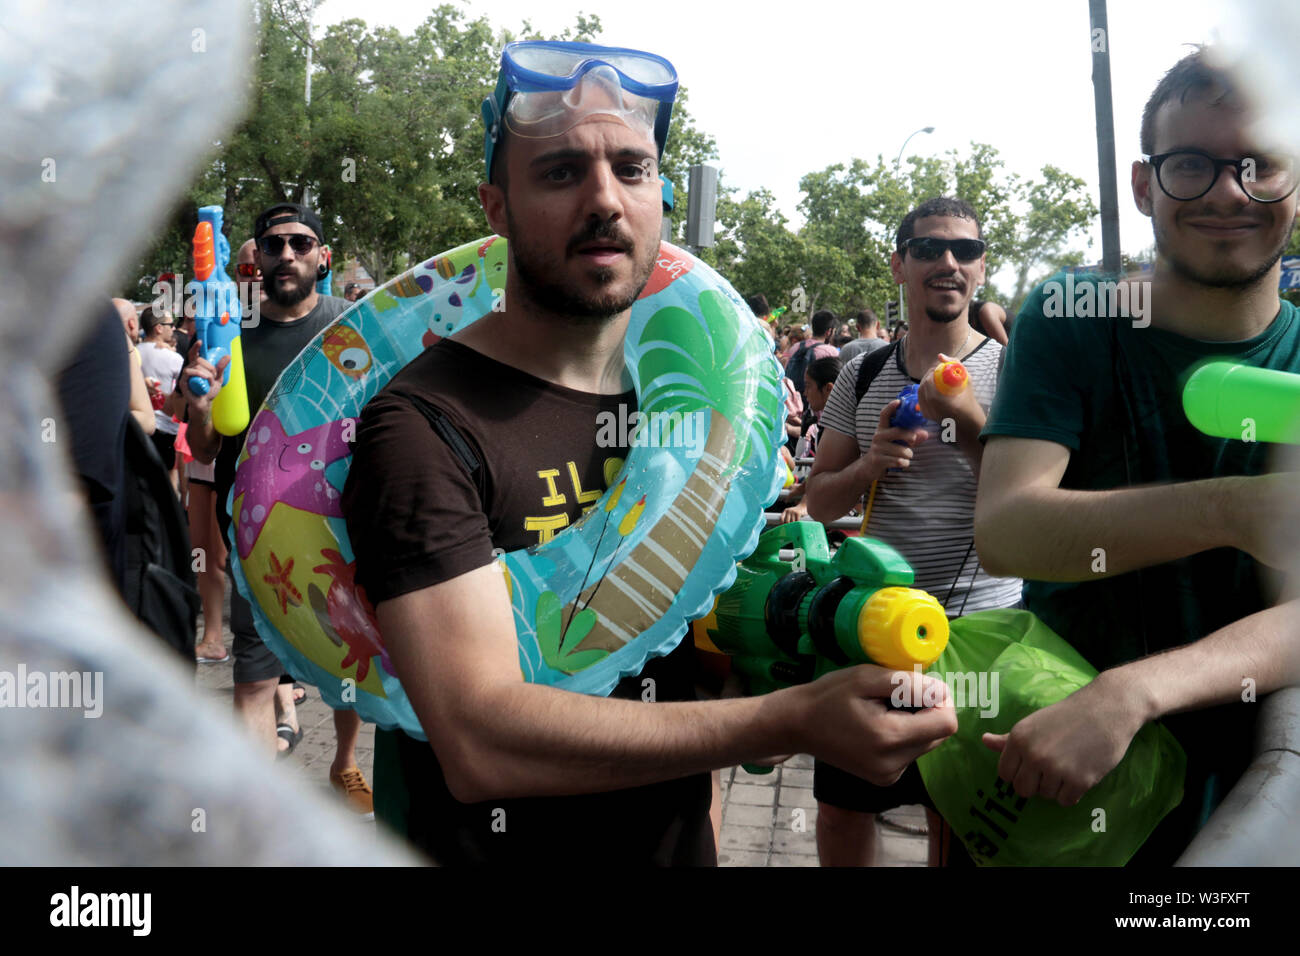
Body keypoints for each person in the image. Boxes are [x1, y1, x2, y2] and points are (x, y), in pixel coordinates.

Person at [340, 39, 957, 865]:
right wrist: (793, 720)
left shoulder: (693, 412)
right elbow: (482, 745)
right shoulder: (422, 425)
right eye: (561, 172)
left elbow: (699, 691)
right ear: (497, 206)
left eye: (632, 169)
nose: (606, 200)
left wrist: (786, 670)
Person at [975, 48, 1300, 863]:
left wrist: (1137, 692)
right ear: (1144, 184)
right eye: (1192, 163)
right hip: (1053, 786)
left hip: (1251, 804)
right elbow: (1009, 529)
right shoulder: (1072, 315)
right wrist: (1232, 511)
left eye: (1260, 164)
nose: (1230, 190)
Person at [804, 196, 1022, 866]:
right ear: (899, 264)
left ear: (982, 269)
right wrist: (869, 464)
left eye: (964, 250)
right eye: (928, 249)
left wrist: (962, 422)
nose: (947, 263)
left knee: (955, 818)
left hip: (977, 631)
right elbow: (816, 501)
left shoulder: (1012, 373)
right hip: (868, 626)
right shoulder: (864, 370)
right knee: (844, 809)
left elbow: (1028, 499)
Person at [181, 204, 374, 811]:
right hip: (255, 539)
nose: (285, 254)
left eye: (299, 242)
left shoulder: (353, 328)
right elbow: (210, 448)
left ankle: (343, 764)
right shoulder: (227, 338)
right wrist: (204, 404)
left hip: (341, 529)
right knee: (253, 680)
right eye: (272, 245)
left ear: (323, 257)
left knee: (348, 668)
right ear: (255, 260)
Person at [136, 305, 184, 486]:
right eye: (170, 324)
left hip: (138, 426)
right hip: (165, 429)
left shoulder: (133, 353)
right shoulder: (174, 358)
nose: (173, 328)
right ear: (158, 328)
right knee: (166, 483)